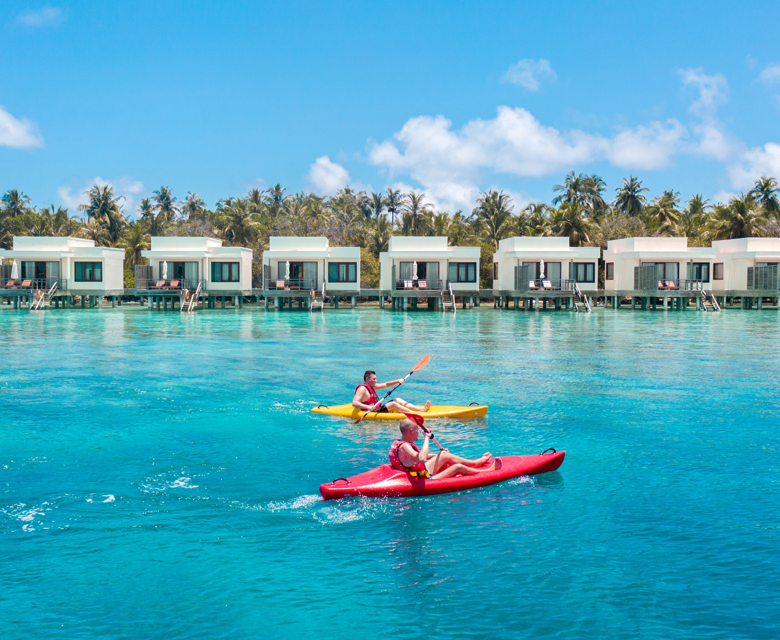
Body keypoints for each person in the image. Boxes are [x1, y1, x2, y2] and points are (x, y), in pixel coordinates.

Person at [389, 414, 501, 479]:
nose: (419, 432)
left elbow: (414, 458)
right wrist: (426, 438)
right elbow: (421, 459)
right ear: (411, 431)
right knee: (457, 467)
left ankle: (476, 463)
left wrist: (438, 454)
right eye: (418, 430)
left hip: (420, 471)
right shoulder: (405, 447)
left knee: (443, 454)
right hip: (422, 478)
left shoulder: (399, 442)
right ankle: (488, 472)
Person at [353, 370, 431, 414]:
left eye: (376, 379)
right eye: (374, 379)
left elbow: (386, 384)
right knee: (393, 404)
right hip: (372, 411)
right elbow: (355, 403)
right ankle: (415, 414)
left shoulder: (372, 386)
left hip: (378, 408)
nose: (376, 381)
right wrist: (368, 407)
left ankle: (419, 409)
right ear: (367, 379)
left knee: (398, 399)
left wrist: (398, 381)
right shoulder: (362, 389)